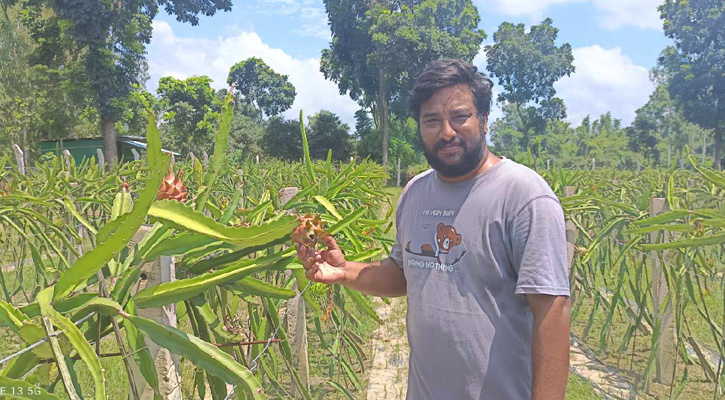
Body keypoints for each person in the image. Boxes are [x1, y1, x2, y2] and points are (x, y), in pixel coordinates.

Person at [296, 58, 570, 399]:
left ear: (484, 120)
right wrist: (344, 271)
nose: (447, 132)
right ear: (419, 128)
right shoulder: (415, 192)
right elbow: (405, 274)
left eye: (459, 117)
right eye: (432, 121)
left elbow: (551, 309)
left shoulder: (524, 196)